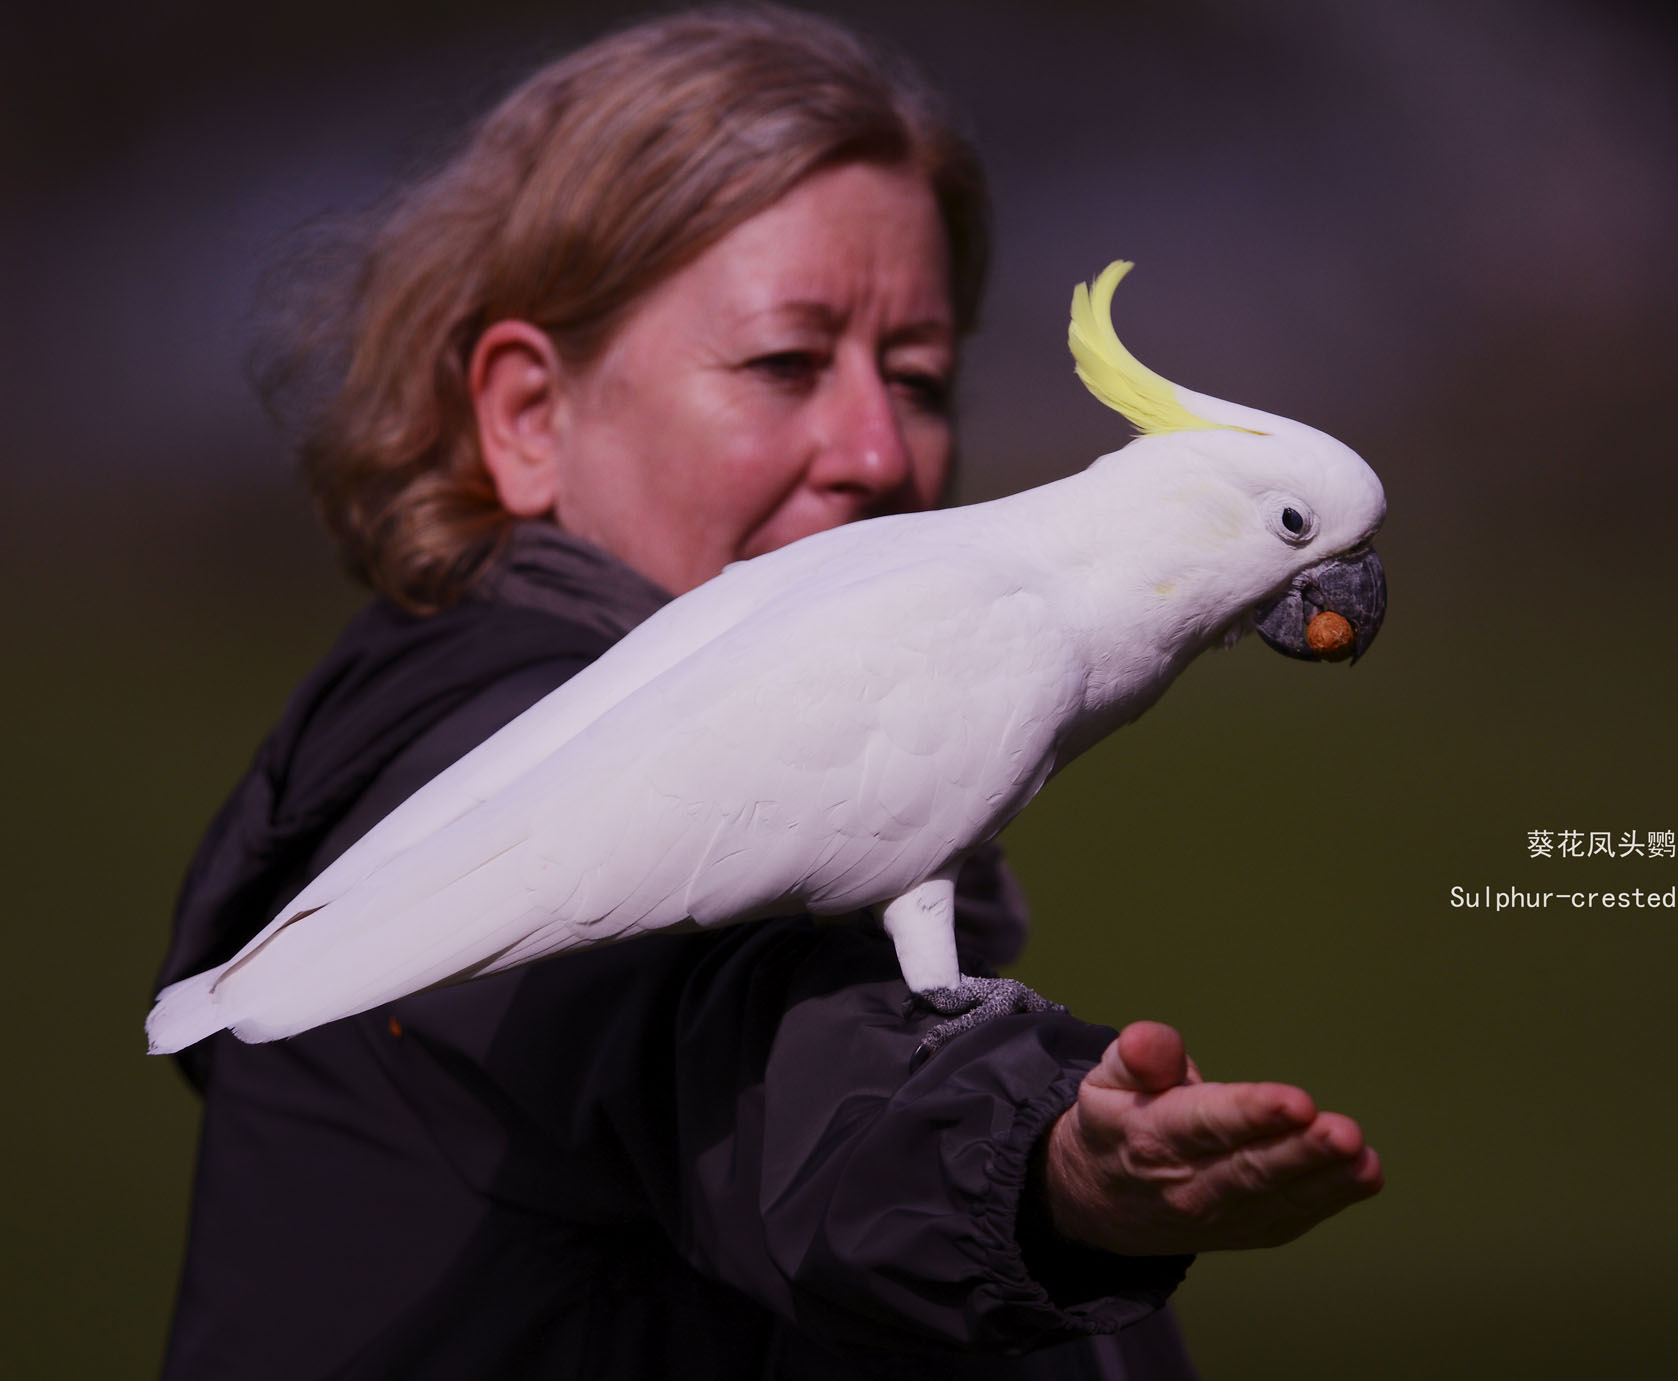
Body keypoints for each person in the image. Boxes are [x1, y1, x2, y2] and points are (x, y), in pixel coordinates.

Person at [154, 8, 1382, 1377]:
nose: (868, 446)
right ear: (524, 414)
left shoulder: (943, 607)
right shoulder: (458, 731)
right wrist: (1040, 1168)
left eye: (917, 377)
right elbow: (739, 1033)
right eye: (782, 363)